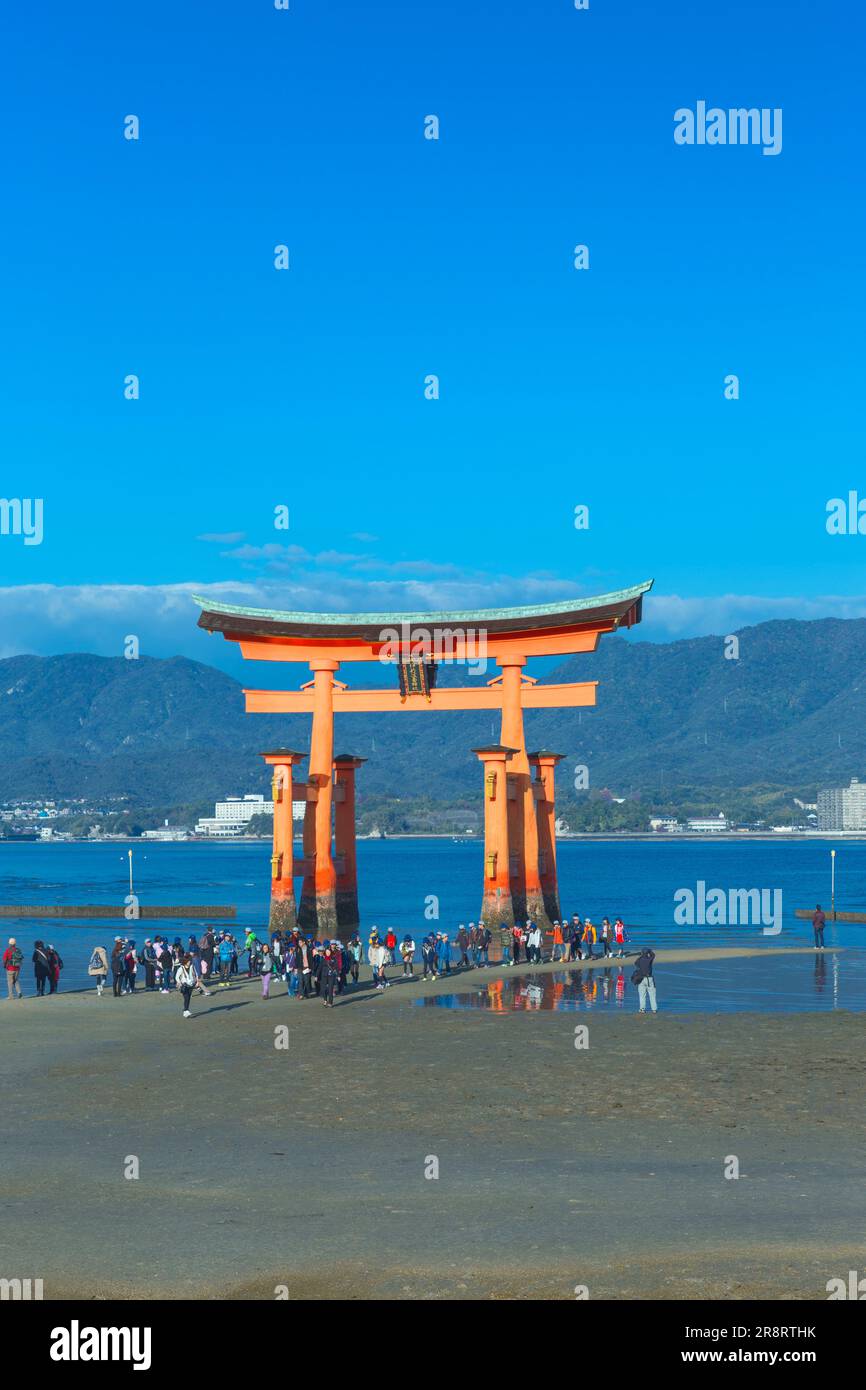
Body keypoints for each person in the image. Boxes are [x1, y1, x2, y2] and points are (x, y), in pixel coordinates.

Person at [632, 947, 657, 1013]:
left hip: (641, 979)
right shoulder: (649, 959)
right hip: (649, 979)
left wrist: (641, 956)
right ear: (647, 953)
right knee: (652, 995)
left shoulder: (639, 960)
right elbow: (653, 955)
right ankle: (654, 1009)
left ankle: (642, 1009)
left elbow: (635, 963)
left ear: (642, 953)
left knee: (642, 995)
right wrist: (650, 951)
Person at [175, 953, 197, 1018]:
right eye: (189, 961)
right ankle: (186, 1010)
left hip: (191, 984)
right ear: (185, 961)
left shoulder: (192, 967)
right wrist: (179, 982)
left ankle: (186, 1011)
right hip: (184, 985)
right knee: (186, 997)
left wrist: (197, 981)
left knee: (188, 998)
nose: (190, 962)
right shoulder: (181, 968)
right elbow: (177, 977)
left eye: (190, 961)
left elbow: (195, 974)